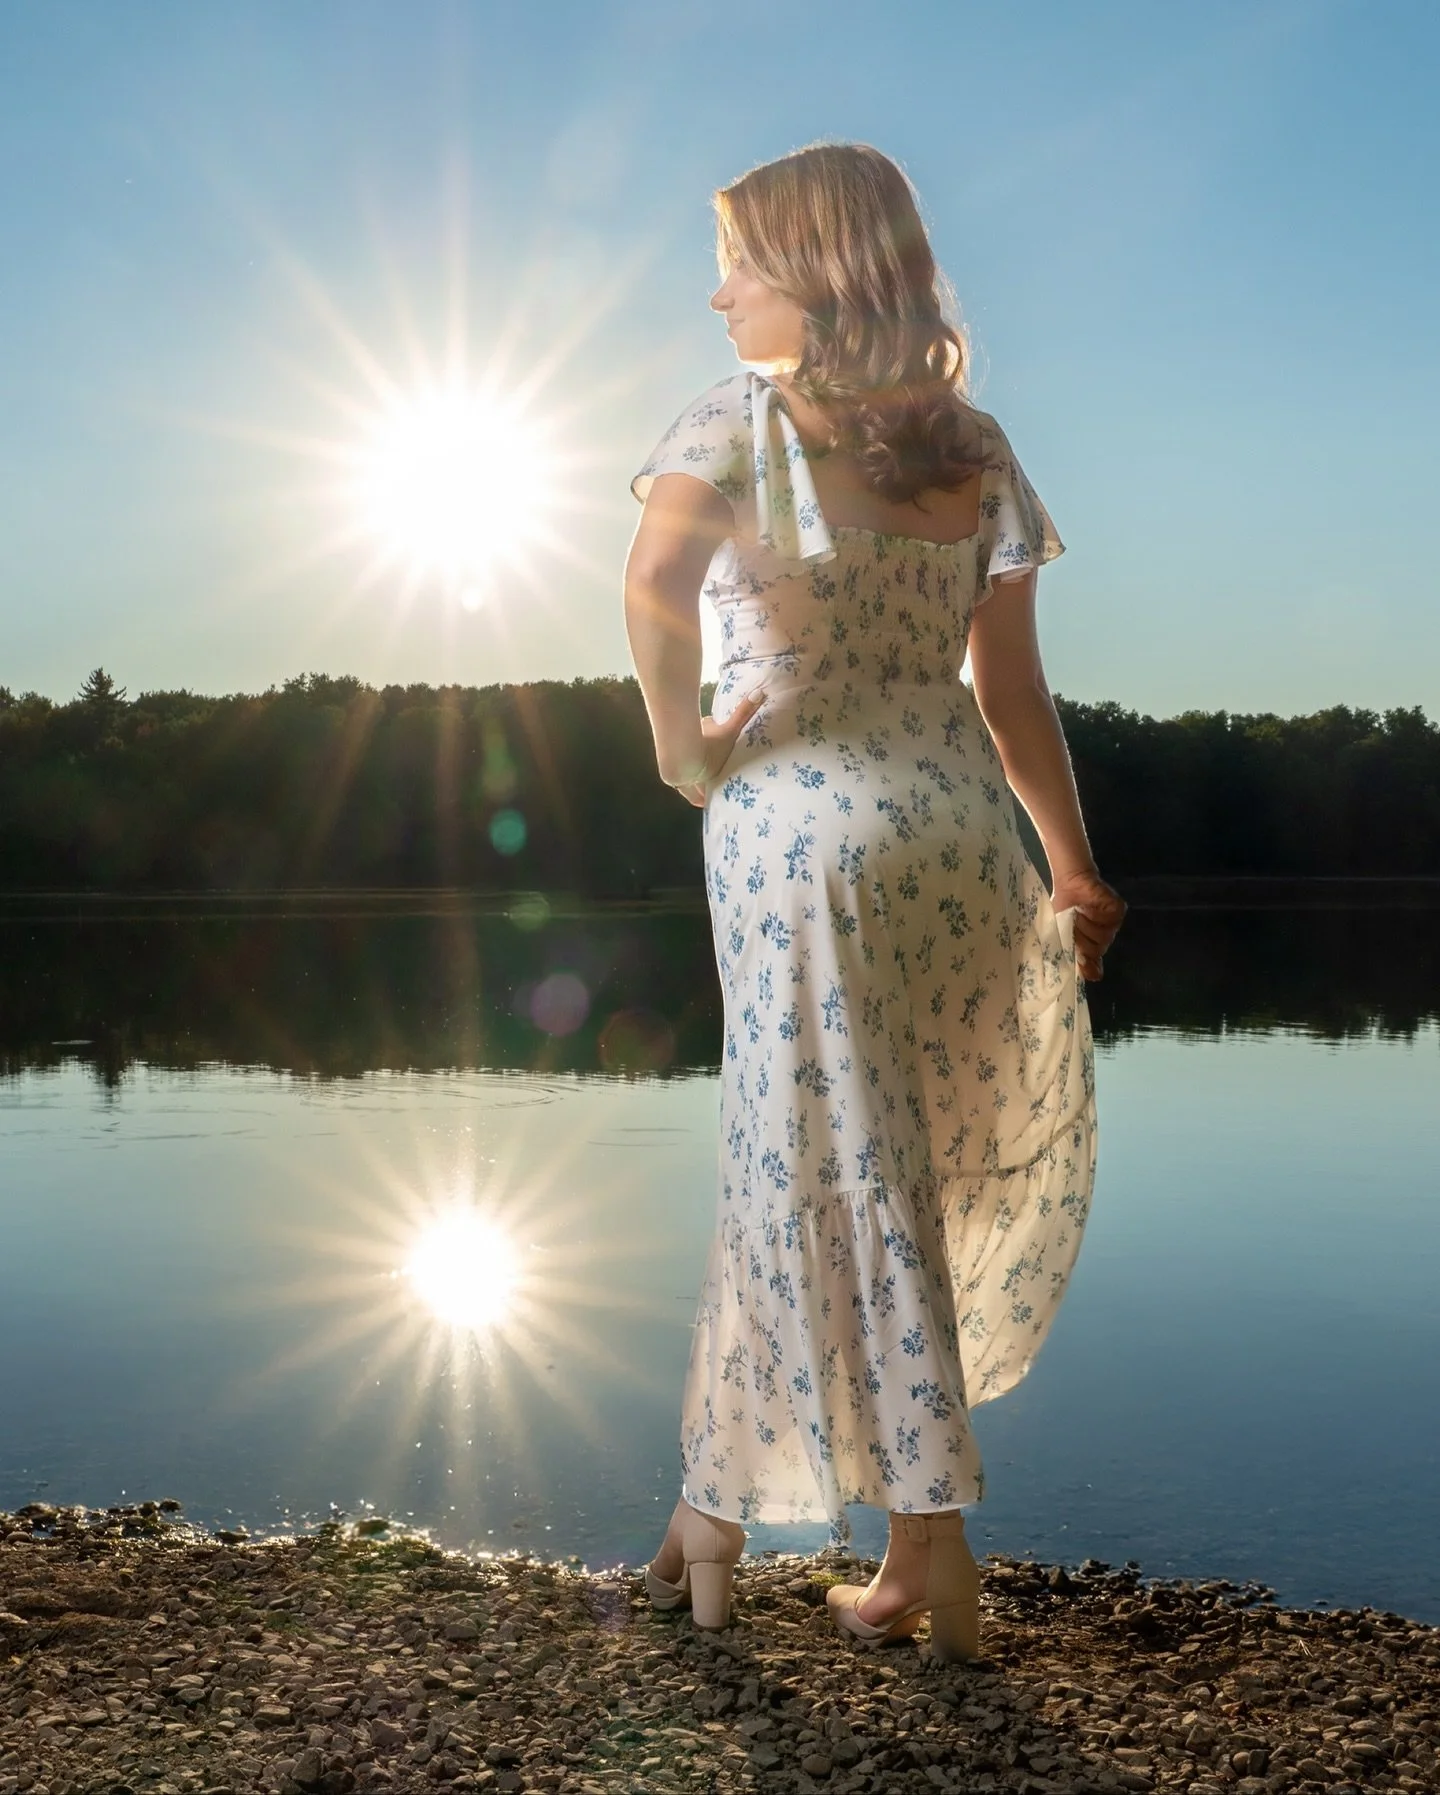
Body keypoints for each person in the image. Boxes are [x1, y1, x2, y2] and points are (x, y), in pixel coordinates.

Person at [622, 143, 1126, 1660]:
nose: (720, 296)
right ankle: (796, 1531)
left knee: (806, 1173)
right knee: (900, 1174)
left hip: (803, 827)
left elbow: (652, 588)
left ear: (817, 270)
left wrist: (681, 748)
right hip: (959, 827)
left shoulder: (739, 420)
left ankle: (863, 1538)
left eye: (741, 263)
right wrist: (1072, 862)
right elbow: (1011, 685)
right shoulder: (969, 443)